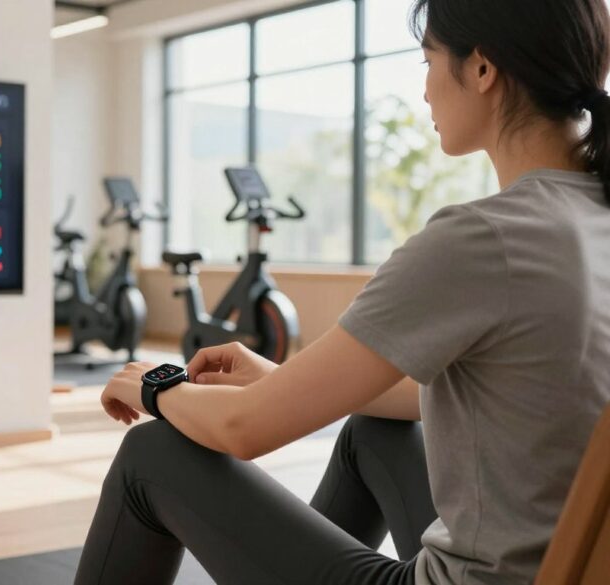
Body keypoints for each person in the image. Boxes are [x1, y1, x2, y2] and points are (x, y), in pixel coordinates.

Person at [73, 1, 610, 584]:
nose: (425, 89)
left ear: (482, 69)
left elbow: (243, 429)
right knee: (371, 432)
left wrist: (155, 386)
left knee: (151, 455)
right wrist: (284, 382)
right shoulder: (591, 219)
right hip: (561, 566)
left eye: (428, 61)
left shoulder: (483, 239)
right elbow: (509, 395)